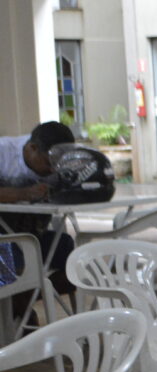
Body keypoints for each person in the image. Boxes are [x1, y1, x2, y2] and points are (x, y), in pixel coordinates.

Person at [0, 121, 77, 316]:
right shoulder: (4, 153)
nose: (53, 169)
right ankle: (21, 311)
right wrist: (23, 193)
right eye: (48, 163)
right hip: (5, 239)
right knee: (14, 258)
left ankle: (23, 301)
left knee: (73, 261)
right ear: (32, 148)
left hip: (34, 235)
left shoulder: (59, 163)